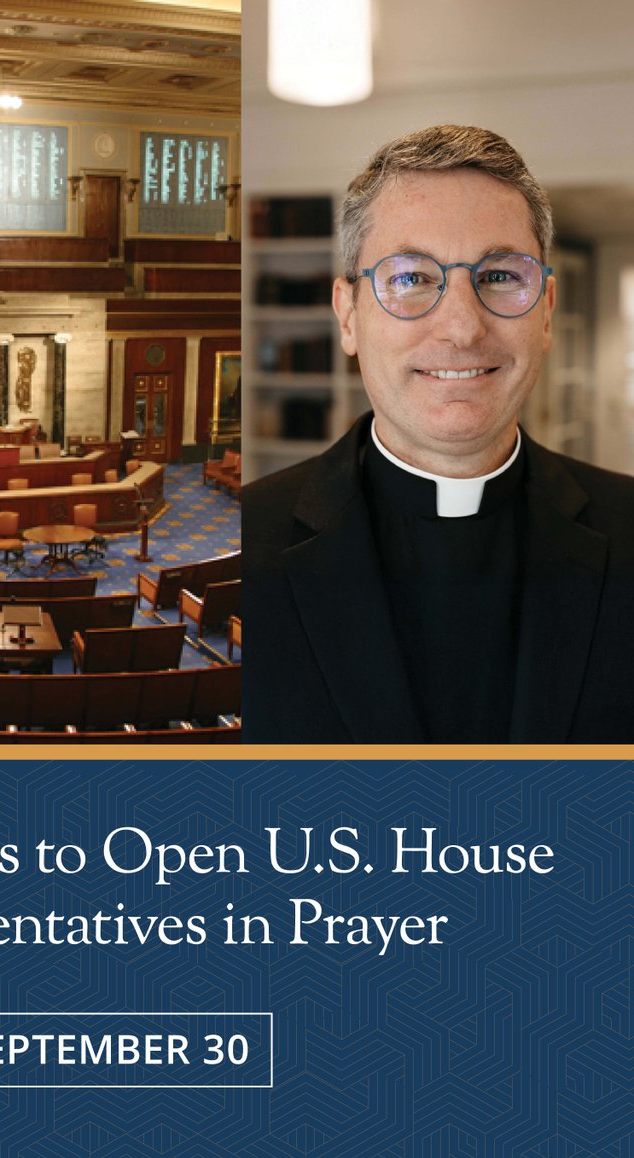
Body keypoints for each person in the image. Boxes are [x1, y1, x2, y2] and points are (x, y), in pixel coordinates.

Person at [243, 124, 634, 744]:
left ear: (547, 311)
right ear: (348, 315)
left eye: (501, 276)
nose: (461, 328)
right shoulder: (247, 546)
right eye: (410, 278)